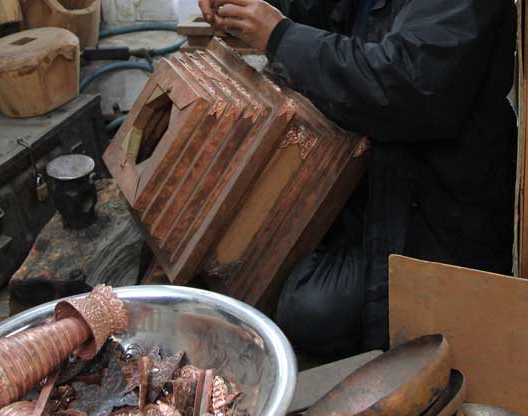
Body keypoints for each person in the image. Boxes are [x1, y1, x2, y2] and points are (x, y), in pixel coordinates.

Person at [198, 0, 517, 357]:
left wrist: (280, 36)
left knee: (310, 311)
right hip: (374, 187)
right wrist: (247, 7)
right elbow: (323, 10)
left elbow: (403, 85)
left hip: (433, 219)